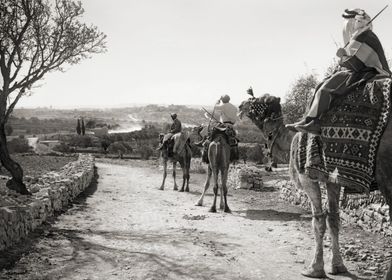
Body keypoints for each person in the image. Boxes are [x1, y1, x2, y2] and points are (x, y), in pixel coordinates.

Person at [286, 8, 391, 135]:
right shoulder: (360, 36)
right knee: (324, 83)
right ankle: (308, 119)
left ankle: (315, 122)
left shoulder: (366, 37)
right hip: (362, 70)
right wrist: (343, 58)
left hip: (372, 72)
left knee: (327, 87)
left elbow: (356, 63)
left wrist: (342, 56)